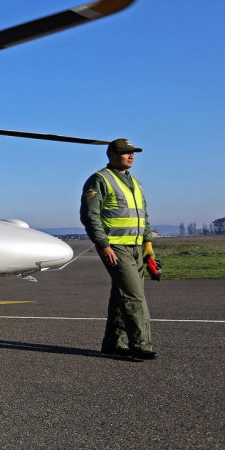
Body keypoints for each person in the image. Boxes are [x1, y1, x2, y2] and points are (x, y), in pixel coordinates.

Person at [80, 138, 158, 360]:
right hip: (116, 247)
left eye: (133, 152)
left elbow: (144, 216)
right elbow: (90, 215)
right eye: (126, 152)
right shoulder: (100, 180)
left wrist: (148, 244)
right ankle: (141, 344)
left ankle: (113, 343)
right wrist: (103, 245)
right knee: (134, 296)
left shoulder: (136, 183)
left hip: (136, 247)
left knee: (120, 296)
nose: (131, 156)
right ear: (111, 155)